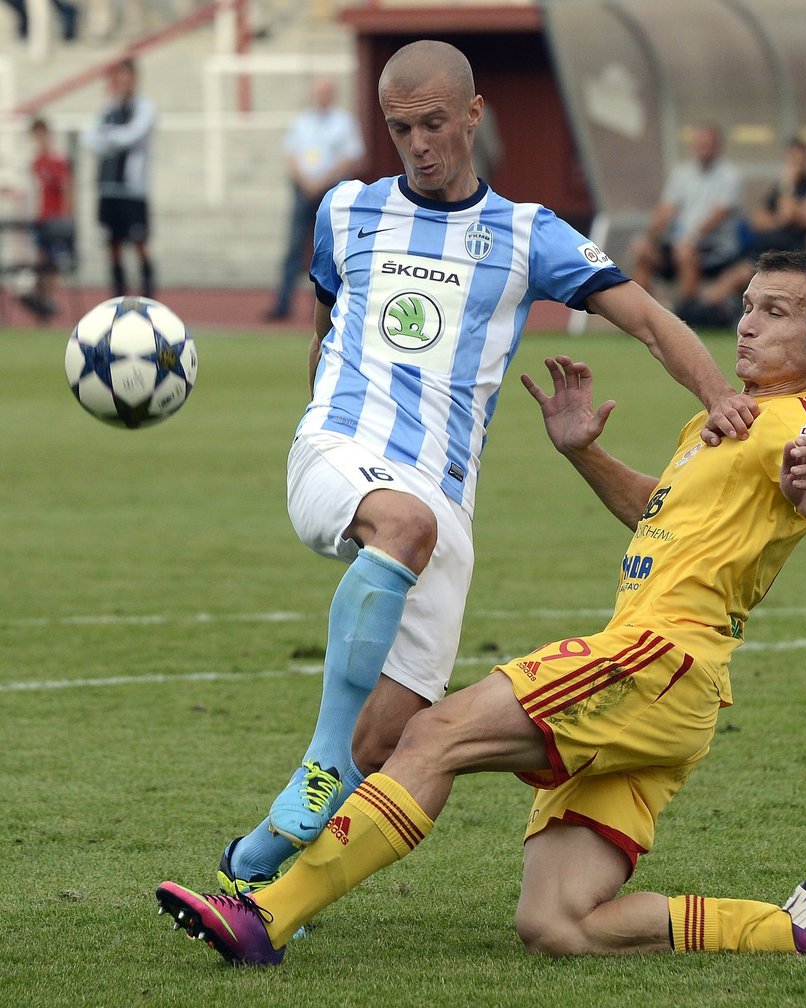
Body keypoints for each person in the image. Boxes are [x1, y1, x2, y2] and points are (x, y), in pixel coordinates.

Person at [157, 250, 806, 966]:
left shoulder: (799, 423)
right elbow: (659, 514)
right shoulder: (723, 422)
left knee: (432, 734)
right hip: (674, 696)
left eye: (775, 312)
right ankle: (794, 928)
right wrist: (583, 452)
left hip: (657, 659)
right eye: (746, 308)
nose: (748, 325)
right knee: (558, 923)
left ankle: (266, 915)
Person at [210, 40, 758, 903]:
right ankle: (318, 761)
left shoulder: (527, 233)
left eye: (433, 124)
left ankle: (253, 867)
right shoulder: (345, 210)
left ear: (473, 116)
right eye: (400, 128)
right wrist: (324, 419)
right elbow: (324, 321)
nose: (419, 144)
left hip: (444, 500)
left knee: (385, 741)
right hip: (340, 450)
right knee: (402, 529)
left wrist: (720, 393)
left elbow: (648, 319)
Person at [265, 76, 365, 321]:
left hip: (330, 191)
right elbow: (290, 154)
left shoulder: (344, 122)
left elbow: (352, 156)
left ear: (333, 94)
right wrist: (305, 181)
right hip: (302, 190)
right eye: (318, 92)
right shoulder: (302, 121)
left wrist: (321, 182)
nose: (321, 96)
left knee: (327, 250)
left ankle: (322, 304)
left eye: (326, 92)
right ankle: (283, 303)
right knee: (294, 248)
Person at [687, 137, 806, 326]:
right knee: (730, 277)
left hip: (791, 254)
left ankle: (696, 316)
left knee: (739, 277)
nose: (793, 164)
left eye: (798, 159)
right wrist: (779, 217)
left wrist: (788, 184)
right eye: (790, 159)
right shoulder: (779, 188)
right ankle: (698, 313)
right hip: (762, 250)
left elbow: (788, 215)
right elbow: (757, 220)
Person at [629, 123, 744, 315]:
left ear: (718, 147)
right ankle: (643, 315)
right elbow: (665, 211)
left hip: (715, 247)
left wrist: (689, 238)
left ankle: (686, 315)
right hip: (679, 243)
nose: (702, 150)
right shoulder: (682, 174)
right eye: (699, 145)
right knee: (642, 252)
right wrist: (649, 238)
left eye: (707, 145)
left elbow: (717, 216)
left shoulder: (730, 176)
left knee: (685, 251)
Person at [83, 57, 157, 298]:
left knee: (139, 244)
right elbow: (90, 139)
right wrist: (111, 137)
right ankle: (118, 299)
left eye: (128, 78)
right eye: (120, 79)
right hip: (108, 187)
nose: (123, 83)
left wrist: (108, 137)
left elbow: (132, 136)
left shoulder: (144, 107)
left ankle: (148, 299)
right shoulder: (108, 109)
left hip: (133, 190)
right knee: (112, 246)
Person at [20, 117, 74, 320]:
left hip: (55, 220)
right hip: (40, 220)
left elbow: (67, 188)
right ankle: (41, 304)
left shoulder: (57, 161)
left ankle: (50, 303)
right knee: (41, 262)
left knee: (52, 264)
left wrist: (66, 218)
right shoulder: (35, 162)